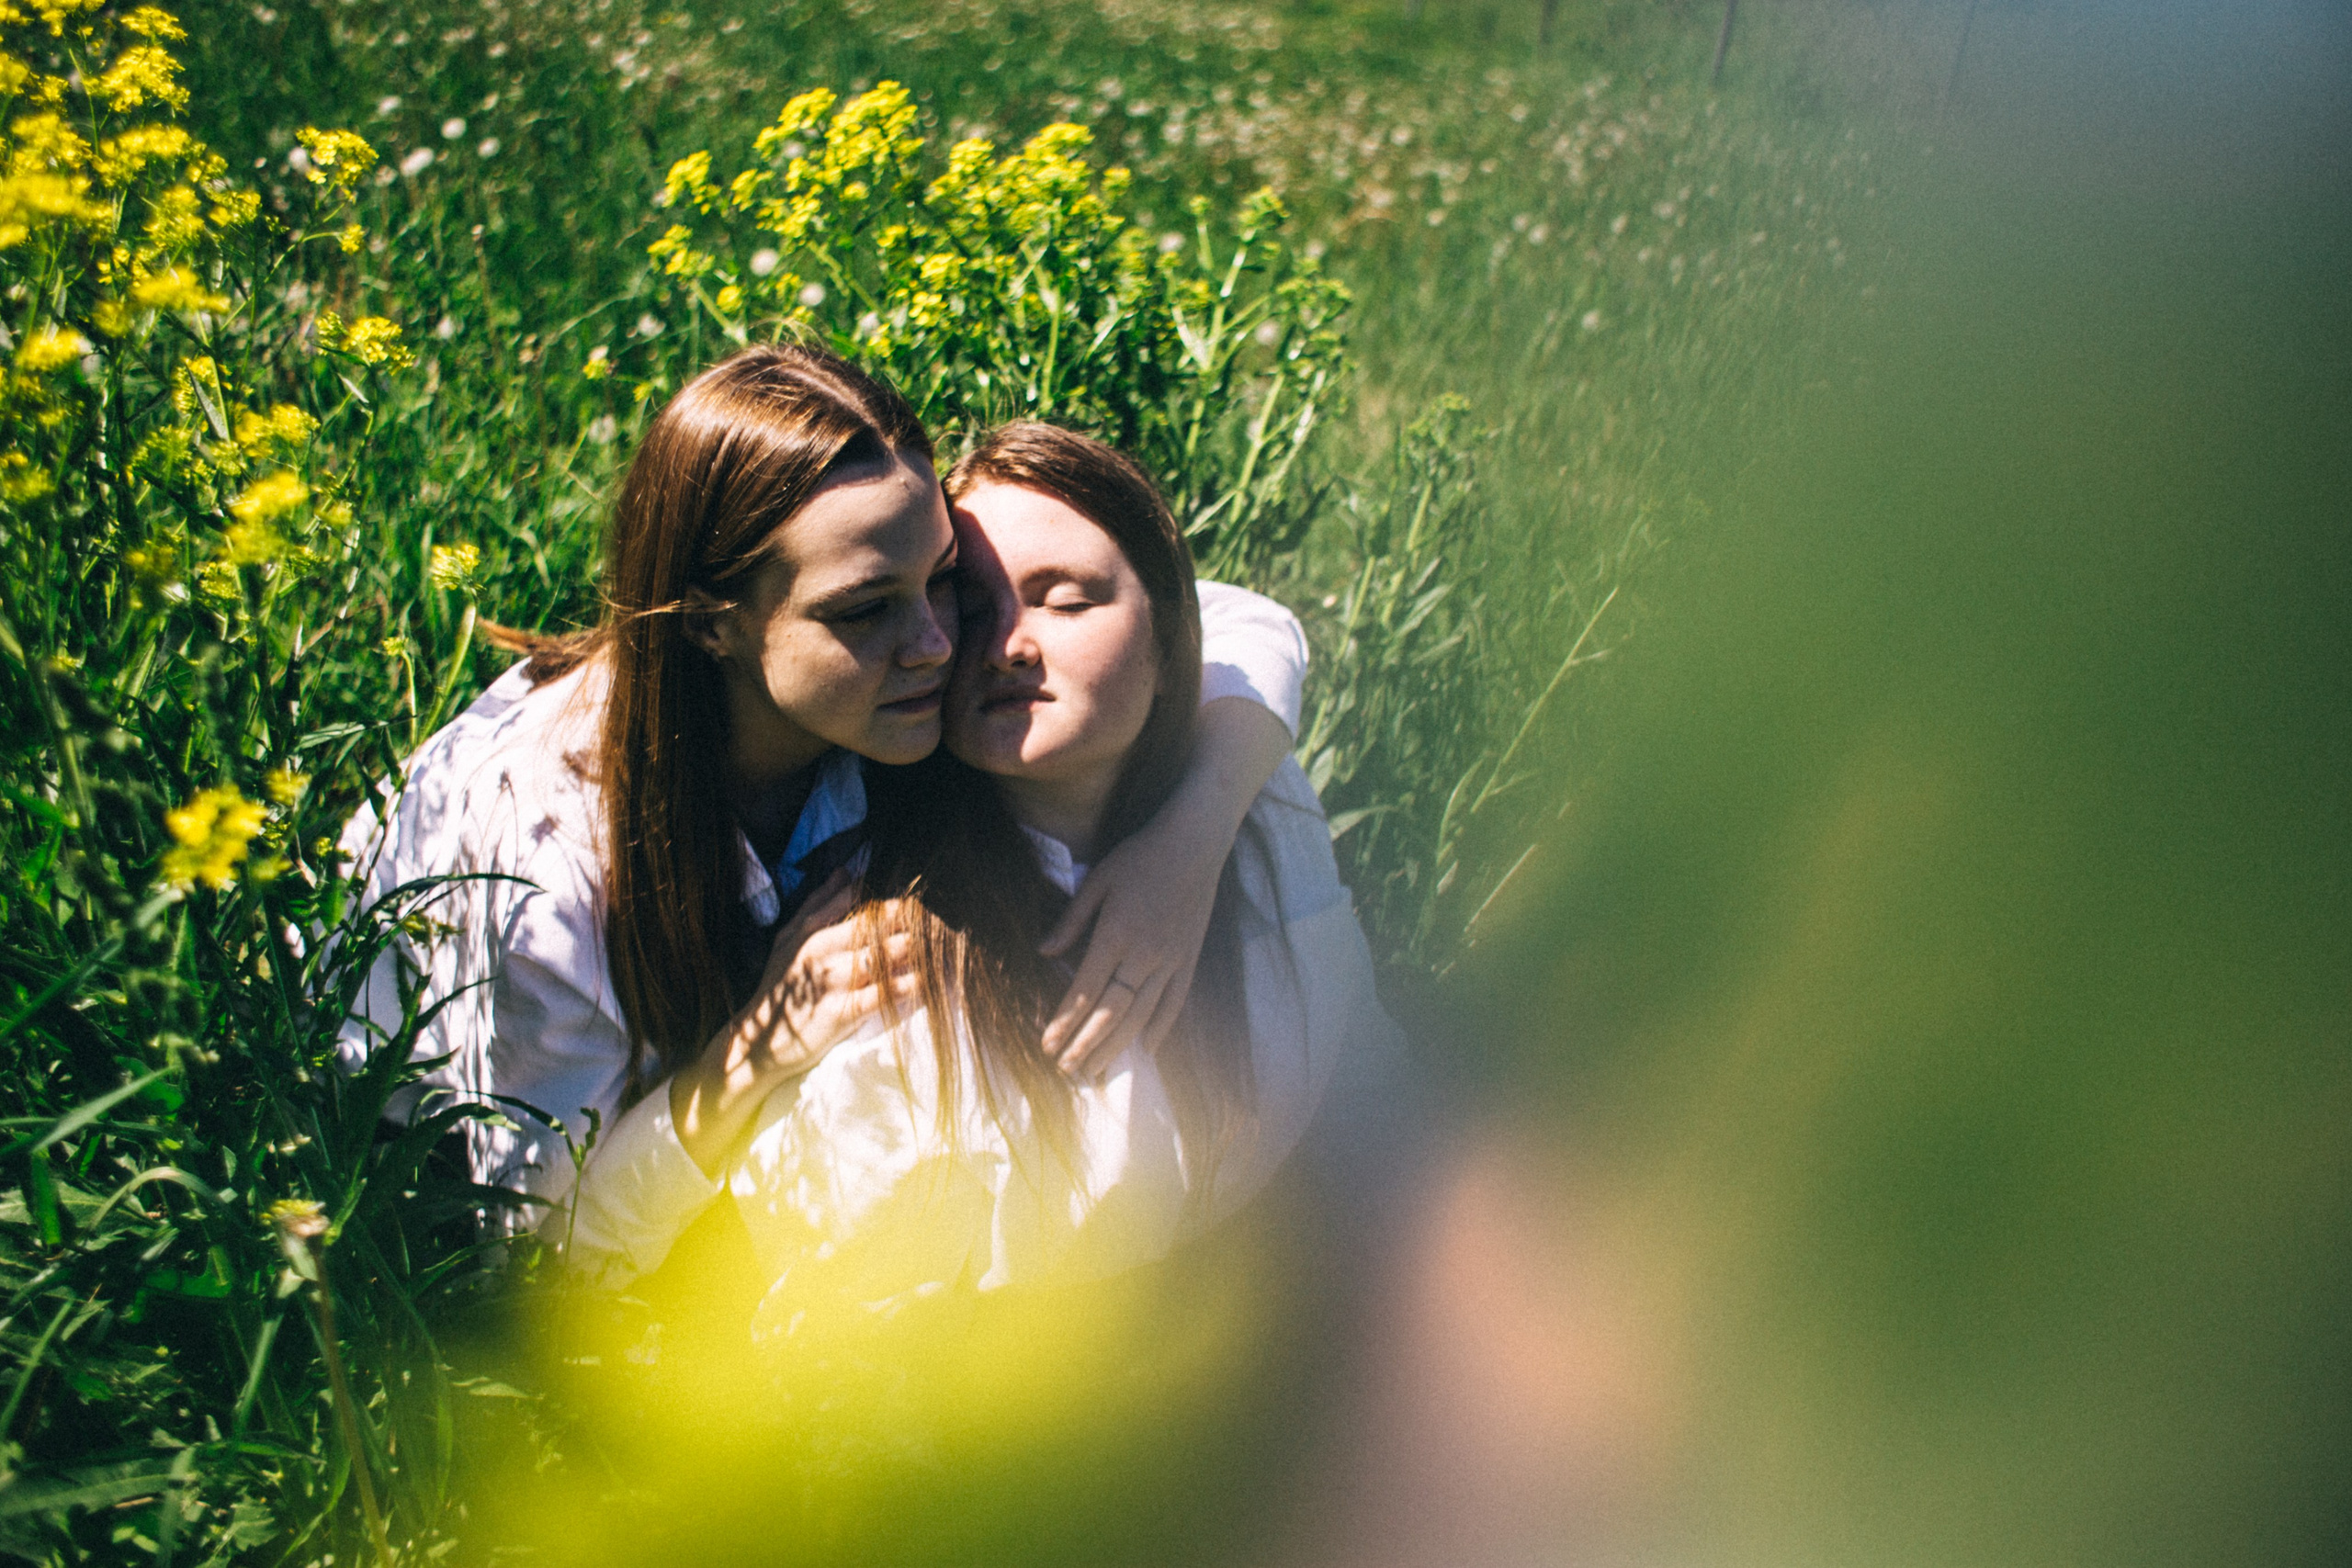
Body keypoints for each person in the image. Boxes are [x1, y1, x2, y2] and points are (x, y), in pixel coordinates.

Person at [336, 348, 1309, 1222]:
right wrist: (758, 1043)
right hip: (375, 1166)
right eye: (863, 612)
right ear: (713, 623)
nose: (938, 645)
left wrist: (1189, 835)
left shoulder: (861, 695)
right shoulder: (548, 871)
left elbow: (1230, 621)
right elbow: (538, 1243)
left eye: (942, 580)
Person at [566, 423, 1402, 1334]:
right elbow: (788, 1330)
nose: (1006, 644)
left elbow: (1252, 625)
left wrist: (1191, 836)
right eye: (969, 603)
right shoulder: (879, 952)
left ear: (1177, 651)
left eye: (1067, 602)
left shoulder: (1259, 804)